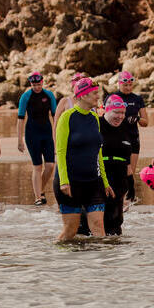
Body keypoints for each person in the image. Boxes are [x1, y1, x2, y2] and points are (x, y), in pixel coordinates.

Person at [54, 77, 113, 241]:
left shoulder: (94, 117)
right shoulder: (67, 117)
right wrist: (64, 181)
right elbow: (60, 151)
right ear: (82, 95)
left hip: (93, 182)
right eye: (94, 93)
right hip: (71, 182)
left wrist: (105, 182)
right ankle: (56, 261)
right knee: (70, 231)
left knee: (99, 228)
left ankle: (99, 264)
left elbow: (98, 153)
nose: (97, 96)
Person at [17, 71, 58, 206]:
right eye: (34, 85)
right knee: (37, 166)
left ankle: (40, 189)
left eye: (39, 84)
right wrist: (19, 140)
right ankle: (38, 197)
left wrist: (56, 135)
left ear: (42, 82)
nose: (37, 87)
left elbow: (55, 117)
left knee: (50, 165)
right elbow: (21, 119)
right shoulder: (26, 96)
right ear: (31, 84)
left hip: (47, 133)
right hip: (32, 134)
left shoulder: (49, 95)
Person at [100, 94, 133, 235]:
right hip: (100, 179)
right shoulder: (97, 124)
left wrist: (131, 184)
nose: (120, 116)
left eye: (123, 113)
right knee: (98, 219)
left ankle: (115, 255)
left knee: (116, 221)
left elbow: (127, 160)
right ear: (106, 110)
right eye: (116, 112)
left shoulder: (124, 128)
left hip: (119, 180)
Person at [113, 70, 148, 201]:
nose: (128, 88)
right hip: (116, 138)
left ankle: (126, 201)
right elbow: (104, 117)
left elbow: (146, 122)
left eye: (130, 85)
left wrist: (137, 119)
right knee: (117, 171)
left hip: (133, 138)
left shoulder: (137, 99)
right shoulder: (113, 97)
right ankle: (117, 199)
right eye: (125, 85)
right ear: (119, 84)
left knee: (130, 172)